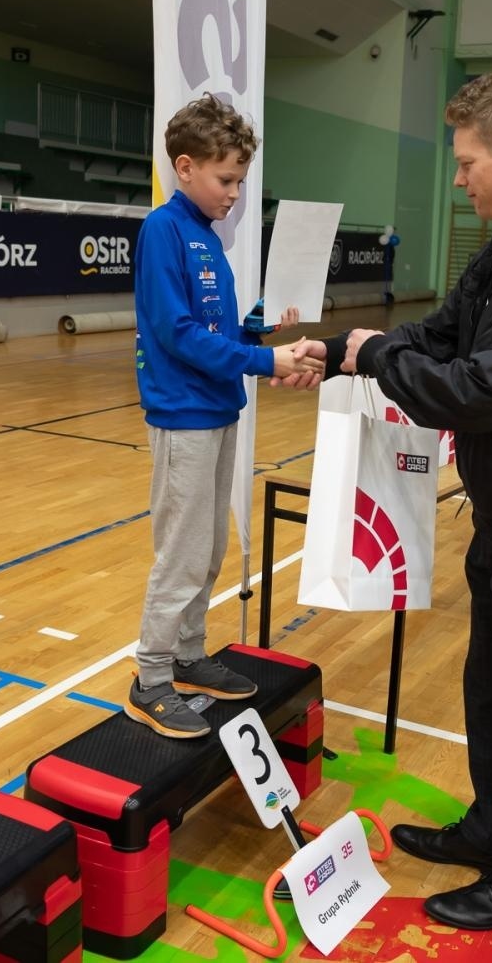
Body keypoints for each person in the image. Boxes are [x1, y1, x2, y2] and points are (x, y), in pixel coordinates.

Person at [285, 71, 492, 929]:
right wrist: (336, 348)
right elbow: (435, 337)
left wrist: (373, 359)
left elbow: (480, 391)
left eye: (469, 161)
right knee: (488, 688)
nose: (460, 176)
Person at [127, 93, 321, 740]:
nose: (236, 193)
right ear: (185, 167)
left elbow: (219, 331)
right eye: (227, 179)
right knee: (180, 553)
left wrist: (261, 324)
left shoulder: (208, 239)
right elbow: (178, 334)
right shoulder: (163, 230)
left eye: (240, 180)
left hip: (218, 409)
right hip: (183, 417)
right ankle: (150, 678)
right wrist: (266, 362)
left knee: (209, 548)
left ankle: (188, 654)